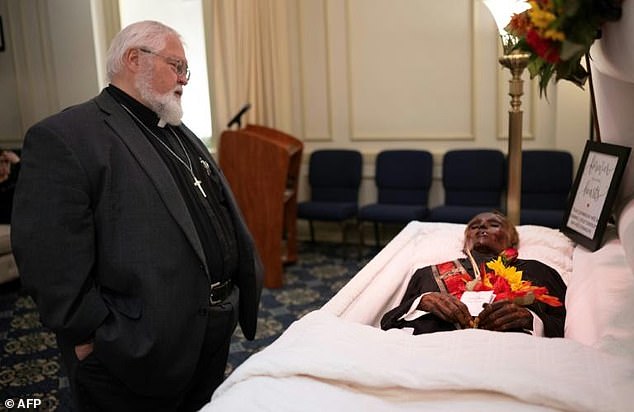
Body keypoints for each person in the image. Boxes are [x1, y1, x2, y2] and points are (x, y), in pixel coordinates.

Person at [11, 21, 263, 411]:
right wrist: (90, 336)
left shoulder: (175, 128)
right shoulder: (67, 135)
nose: (184, 79)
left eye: (185, 70)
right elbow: (48, 257)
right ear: (133, 59)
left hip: (204, 330)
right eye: (176, 65)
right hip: (132, 348)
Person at [381, 212, 566, 337]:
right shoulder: (427, 273)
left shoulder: (540, 271)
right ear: (465, 240)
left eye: (494, 224)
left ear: (512, 239)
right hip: (431, 352)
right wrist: (420, 302)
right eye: (474, 227)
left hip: (510, 355)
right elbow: (388, 322)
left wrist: (531, 319)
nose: (481, 227)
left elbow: (566, 328)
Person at [0, 149, 20, 223]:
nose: (5, 165)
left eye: (7, 161)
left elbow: (28, 180)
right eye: (2, 162)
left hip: (10, 225)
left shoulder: (14, 183)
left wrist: (18, 162)